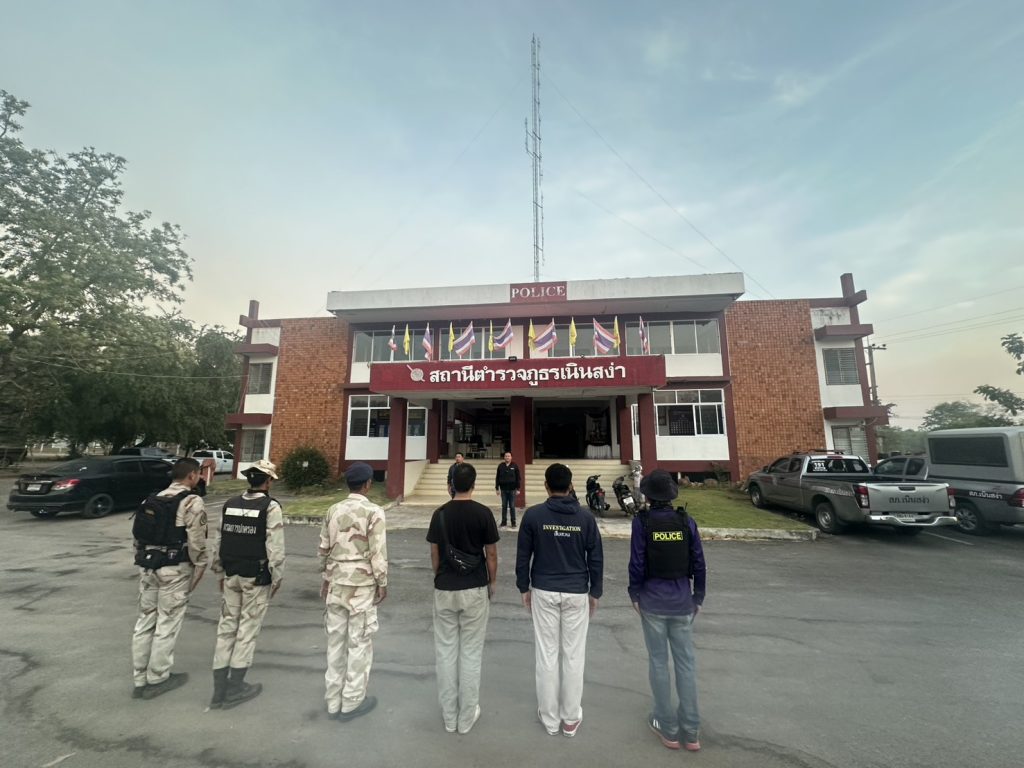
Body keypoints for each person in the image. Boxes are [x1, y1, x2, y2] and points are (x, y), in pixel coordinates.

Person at [515, 463, 603, 738]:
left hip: (544, 591)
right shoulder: (585, 518)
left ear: (546, 486)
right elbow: (596, 558)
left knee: (547, 655)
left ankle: (550, 718)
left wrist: (524, 587)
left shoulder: (534, 516)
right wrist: (595, 591)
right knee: (574, 656)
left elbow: (523, 556)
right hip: (576, 592)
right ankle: (570, 718)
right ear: (571, 486)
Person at [628, 469, 706, 752]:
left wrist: (634, 593)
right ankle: (691, 729)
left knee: (659, 663)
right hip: (683, 601)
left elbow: (637, 561)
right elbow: (698, 561)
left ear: (648, 496)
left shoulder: (642, 522)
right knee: (686, 664)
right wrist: (698, 596)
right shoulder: (686, 521)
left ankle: (667, 725)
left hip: (652, 601)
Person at [426, 462, 499, 734]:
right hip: (475, 587)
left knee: (445, 652)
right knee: (470, 653)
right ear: (474, 484)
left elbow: (435, 554)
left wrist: (440, 576)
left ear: (451, 485)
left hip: (445, 588)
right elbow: (491, 554)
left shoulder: (439, 514)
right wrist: (492, 581)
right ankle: (466, 717)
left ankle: (449, 716)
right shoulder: (483, 513)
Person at [208, 459, 286, 710]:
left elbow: (219, 539)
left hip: (231, 574)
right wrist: (277, 576)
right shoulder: (270, 507)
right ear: (268, 481)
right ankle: (235, 687)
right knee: (247, 630)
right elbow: (275, 546)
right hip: (256, 576)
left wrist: (218, 571)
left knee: (226, 628)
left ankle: (218, 691)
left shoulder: (230, 504)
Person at [130, 457, 208, 700]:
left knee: (145, 621)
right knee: (167, 622)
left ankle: (139, 678)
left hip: (147, 566)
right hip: (174, 569)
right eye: (198, 474)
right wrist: (200, 564)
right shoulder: (191, 501)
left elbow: (138, 536)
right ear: (192, 476)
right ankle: (158, 677)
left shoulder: (151, 499)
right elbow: (196, 540)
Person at [318, 462, 388, 721]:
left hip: (336, 581)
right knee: (358, 643)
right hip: (361, 585)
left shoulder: (332, 510)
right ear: (368, 484)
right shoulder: (374, 512)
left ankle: (332, 699)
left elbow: (323, 549)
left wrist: (326, 578)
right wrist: (382, 582)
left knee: (335, 641)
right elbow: (377, 552)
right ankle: (352, 701)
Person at [494, 451, 521, 528]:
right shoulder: (501, 466)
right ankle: (504, 522)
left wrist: (518, 488)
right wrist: (497, 488)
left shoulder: (514, 466)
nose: (507, 457)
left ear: (511, 457)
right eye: (506, 456)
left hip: (512, 490)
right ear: (504, 457)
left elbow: (518, 478)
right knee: (504, 506)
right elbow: (497, 478)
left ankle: (513, 522)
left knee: (512, 506)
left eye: (508, 456)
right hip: (503, 490)